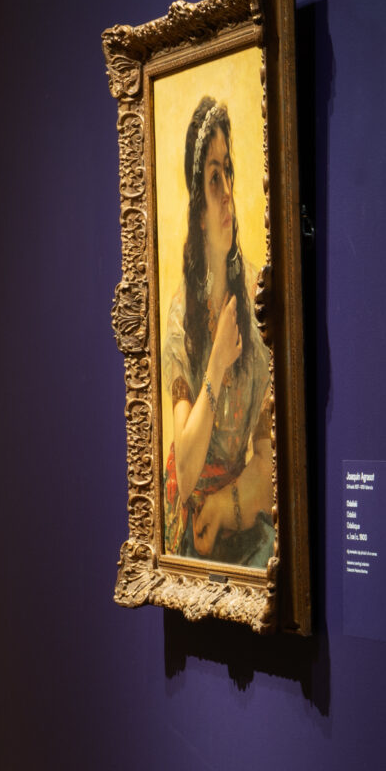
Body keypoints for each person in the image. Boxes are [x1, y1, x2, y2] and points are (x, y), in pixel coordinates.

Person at [160, 97, 274, 567]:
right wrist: (217, 361)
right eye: (213, 178)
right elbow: (186, 474)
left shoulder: (258, 297)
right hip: (188, 523)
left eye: (228, 171)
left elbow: (268, 463)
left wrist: (226, 507)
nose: (227, 191)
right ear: (199, 210)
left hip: (235, 508)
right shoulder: (181, 314)